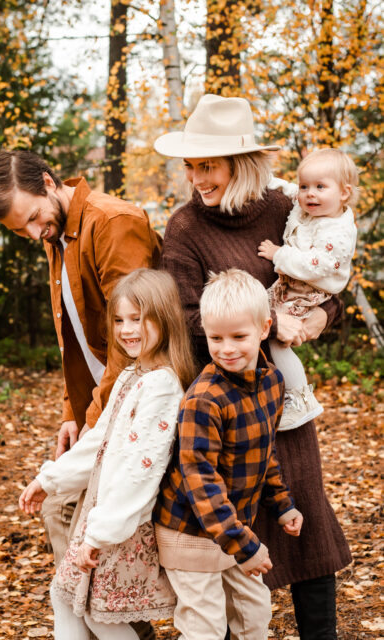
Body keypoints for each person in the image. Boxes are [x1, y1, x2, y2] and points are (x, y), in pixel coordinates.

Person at [154, 94, 352, 639]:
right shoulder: (185, 228)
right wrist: (258, 320)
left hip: (284, 398)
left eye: (207, 165)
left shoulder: (289, 204)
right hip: (228, 400)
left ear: (240, 164)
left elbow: (330, 273)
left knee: (306, 514)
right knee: (243, 520)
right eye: (190, 166)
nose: (196, 177)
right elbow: (187, 315)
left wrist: (316, 318)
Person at [0, 150, 162, 640]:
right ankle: (110, 616)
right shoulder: (56, 236)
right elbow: (75, 337)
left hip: (143, 400)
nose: (34, 233)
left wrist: (98, 423)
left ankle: (119, 620)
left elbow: (134, 341)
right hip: (105, 403)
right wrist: (71, 413)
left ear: (48, 180)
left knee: (63, 508)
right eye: (20, 231)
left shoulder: (112, 223)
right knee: (59, 511)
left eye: (34, 218)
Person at [19, 268, 196, 640]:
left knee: (97, 615)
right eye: (119, 320)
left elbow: (140, 471)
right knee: (66, 597)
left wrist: (100, 534)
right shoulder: (134, 375)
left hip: (120, 525)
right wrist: (49, 480)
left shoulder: (162, 387)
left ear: (163, 318)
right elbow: (98, 442)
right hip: (100, 517)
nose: (126, 329)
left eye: (137, 319)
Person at [154, 269, 303, 640]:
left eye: (239, 336)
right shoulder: (204, 399)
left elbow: (264, 451)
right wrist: (245, 545)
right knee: (205, 626)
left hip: (234, 527)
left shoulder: (271, 383)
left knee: (255, 614)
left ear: (265, 328)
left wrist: (281, 504)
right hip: (189, 531)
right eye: (216, 337)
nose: (227, 348)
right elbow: (199, 481)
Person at [258, 148, 358, 429]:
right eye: (305, 186)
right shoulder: (313, 207)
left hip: (307, 291)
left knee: (277, 338)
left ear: (344, 193)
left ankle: (299, 397)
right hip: (292, 286)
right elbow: (292, 191)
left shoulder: (336, 232)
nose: (309, 194)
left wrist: (279, 254)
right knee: (258, 313)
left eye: (319, 187)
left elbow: (315, 265)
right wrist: (270, 180)